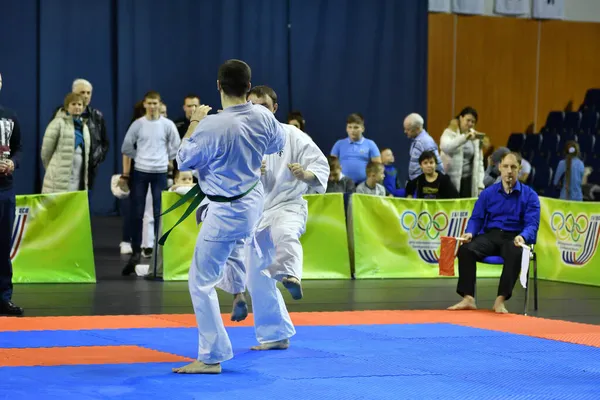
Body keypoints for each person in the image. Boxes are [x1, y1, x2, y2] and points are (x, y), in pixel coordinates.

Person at [171, 60, 286, 374]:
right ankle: (239, 293)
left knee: (200, 282)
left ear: (219, 86)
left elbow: (183, 160)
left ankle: (211, 356)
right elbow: (278, 143)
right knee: (237, 249)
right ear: (249, 87)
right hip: (252, 201)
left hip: (225, 208)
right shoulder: (263, 114)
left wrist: (195, 121)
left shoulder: (212, 124)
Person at [218, 85, 328, 350]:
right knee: (257, 278)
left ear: (274, 108)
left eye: (264, 106)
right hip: (255, 214)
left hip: (287, 205)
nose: (259, 111)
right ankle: (275, 335)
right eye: (253, 106)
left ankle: (292, 275)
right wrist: (250, 170)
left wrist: (306, 175)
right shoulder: (241, 137)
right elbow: (224, 175)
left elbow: (320, 164)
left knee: (285, 234)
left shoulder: (292, 135)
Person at [448, 152, 540, 314]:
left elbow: (532, 224)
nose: (509, 171)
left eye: (513, 167)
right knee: (465, 249)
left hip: (514, 237)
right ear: (499, 168)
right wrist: (470, 233)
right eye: (505, 166)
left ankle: (500, 301)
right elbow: (476, 218)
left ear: (519, 169)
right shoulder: (488, 193)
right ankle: (468, 298)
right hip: (491, 235)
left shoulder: (530, 196)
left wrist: (523, 236)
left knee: (515, 252)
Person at [121, 91, 181, 275]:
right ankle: (136, 252)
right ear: (145, 105)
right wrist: (140, 158)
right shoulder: (138, 125)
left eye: (155, 103)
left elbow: (176, 146)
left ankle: (158, 254)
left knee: (159, 213)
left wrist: (165, 159)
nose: (152, 106)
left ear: (159, 104)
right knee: (137, 213)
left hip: (160, 172)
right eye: (149, 103)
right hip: (140, 171)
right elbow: (126, 147)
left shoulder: (167, 125)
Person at [51, 79, 109, 189]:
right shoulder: (60, 113)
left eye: (88, 93)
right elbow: (51, 141)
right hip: (63, 168)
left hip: (88, 170)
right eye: (82, 92)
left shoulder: (97, 116)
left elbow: (104, 143)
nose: (86, 96)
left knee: (83, 202)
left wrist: (94, 160)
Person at [0, 72, 24, 316]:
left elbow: (18, 148)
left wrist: (13, 164)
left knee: (3, 247)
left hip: (5, 189)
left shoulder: (10, 116)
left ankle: (4, 297)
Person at [41, 93, 91, 193]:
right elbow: (46, 152)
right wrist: (54, 171)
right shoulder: (58, 123)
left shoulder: (85, 127)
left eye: (80, 104)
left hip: (77, 180)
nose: (77, 107)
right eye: (73, 104)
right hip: (57, 181)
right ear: (67, 106)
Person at [440, 107, 485, 198]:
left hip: (468, 180)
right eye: (468, 120)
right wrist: (465, 138)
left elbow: (479, 162)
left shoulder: (475, 137)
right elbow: (446, 147)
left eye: (473, 122)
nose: (470, 124)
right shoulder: (449, 132)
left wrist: (480, 184)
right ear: (460, 118)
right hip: (450, 180)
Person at [330, 113, 381, 184]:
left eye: (356, 127)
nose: (352, 130)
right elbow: (331, 164)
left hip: (364, 186)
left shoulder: (371, 144)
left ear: (362, 129)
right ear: (346, 129)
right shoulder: (339, 144)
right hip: (342, 185)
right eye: (350, 127)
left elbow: (377, 167)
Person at [404, 113, 444, 180]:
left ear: (417, 129)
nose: (405, 131)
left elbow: (437, 164)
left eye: (408, 129)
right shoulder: (416, 140)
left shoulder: (426, 142)